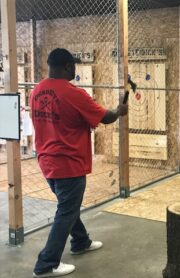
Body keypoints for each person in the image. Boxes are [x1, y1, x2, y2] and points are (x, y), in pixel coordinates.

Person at [30, 48, 127, 277]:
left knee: (68, 206)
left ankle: (81, 242)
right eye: (72, 66)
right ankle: (46, 263)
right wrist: (119, 110)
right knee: (66, 210)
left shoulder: (37, 90)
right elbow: (106, 117)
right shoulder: (74, 93)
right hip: (68, 164)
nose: (74, 69)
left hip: (47, 163)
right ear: (66, 66)